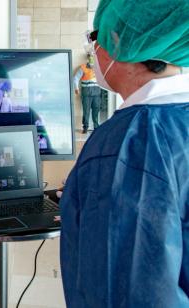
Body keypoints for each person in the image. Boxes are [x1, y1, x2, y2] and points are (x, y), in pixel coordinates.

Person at [60, 0, 189, 306]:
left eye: (95, 38)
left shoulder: (130, 146)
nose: (94, 48)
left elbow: (126, 291)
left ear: (116, 41)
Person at [73, 53, 102, 133]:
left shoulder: (98, 68)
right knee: (86, 111)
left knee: (96, 110)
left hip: (96, 93)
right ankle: (85, 127)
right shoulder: (83, 67)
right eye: (91, 57)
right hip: (86, 94)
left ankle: (96, 127)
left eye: (94, 57)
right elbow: (75, 78)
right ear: (88, 58)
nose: (92, 58)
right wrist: (76, 88)